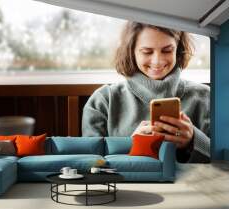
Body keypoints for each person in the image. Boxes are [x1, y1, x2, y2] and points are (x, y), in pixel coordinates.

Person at [82, 22, 210, 163]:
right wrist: (130, 146)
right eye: (147, 52)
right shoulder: (103, 101)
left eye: (167, 50)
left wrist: (193, 140)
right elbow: (92, 162)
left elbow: (224, 160)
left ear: (178, 50)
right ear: (131, 52)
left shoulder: (205, 97)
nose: (157, 61)